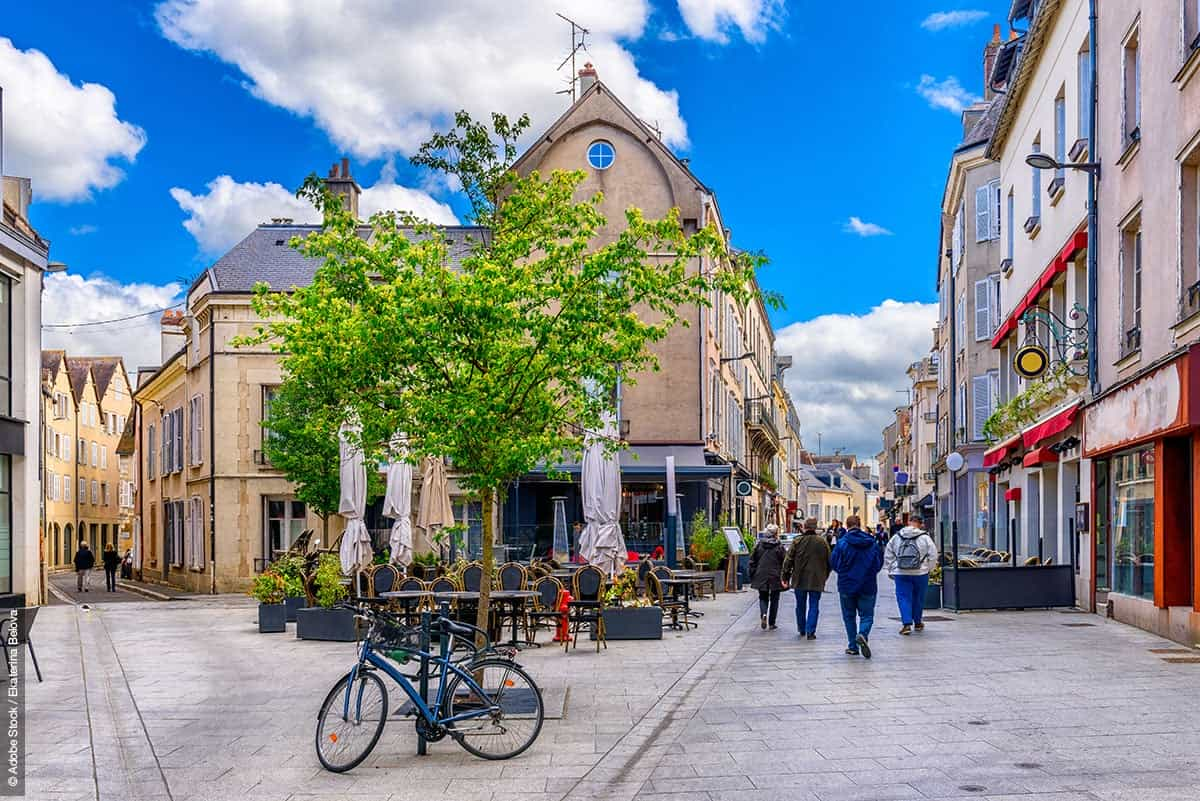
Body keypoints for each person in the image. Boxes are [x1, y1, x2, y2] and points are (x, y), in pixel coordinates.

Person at [829, 515, 884, 658]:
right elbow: (878, 563)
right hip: (868, 584)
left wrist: (844, 572)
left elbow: (834, 562)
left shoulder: (842, 543)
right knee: (867, 615)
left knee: (849, 616)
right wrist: (870, 573)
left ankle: (853, 646)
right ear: (860, 524)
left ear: (847, 526)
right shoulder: (871, 542)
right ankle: (863, 634)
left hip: (847, 584)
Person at [884, 516, 939, 634]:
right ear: (921, 524)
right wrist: (928, 568)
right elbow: (933, 555)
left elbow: (888, 553)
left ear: (908, 523)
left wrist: (892, 568)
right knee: (919, 597)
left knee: (903, 597)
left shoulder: (897, 537)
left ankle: (906, 623)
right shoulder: (925, 538)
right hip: (921, 573)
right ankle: (918, 622)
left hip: (901, 572)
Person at [782, 517, 831, 639]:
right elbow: (830, 561)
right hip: (817, 578)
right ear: (815, 528)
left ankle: (802, 628)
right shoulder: (822, 542)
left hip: (799, 578)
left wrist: (785, 576)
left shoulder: (797, 541)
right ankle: (811, 631)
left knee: (800, 604)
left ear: (805, 527)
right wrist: (825, 575)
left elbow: (788, 560)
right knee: (814, 605)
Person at [748, 524, 786, 630]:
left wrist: (752, 574)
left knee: (763, 597)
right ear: (776, 534)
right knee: (775, 599)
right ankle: (772, 623)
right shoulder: (779, 546)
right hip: (775, 575)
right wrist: (785, 575)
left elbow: (752, 561)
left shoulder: (759, 545)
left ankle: (764, 613)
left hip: (761, 574)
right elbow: (785, 561)